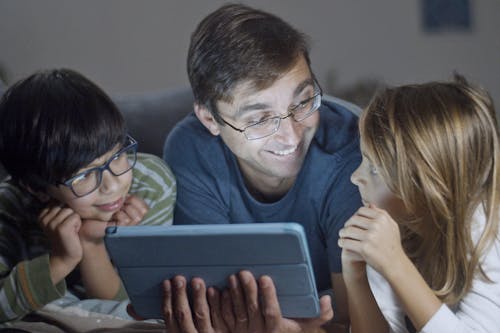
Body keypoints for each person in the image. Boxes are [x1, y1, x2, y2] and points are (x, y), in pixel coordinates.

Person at [163, 3, 362, 331]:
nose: (291, 134)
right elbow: (214, 297)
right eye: (259, 119)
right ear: (210, 120)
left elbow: (352, 310)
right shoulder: (191, 149)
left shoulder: (350, 150)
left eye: (302, 101)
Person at [0, 68, 176, 323]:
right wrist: (60, 260)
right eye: (82, 176)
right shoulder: (8, 207)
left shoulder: (148, 182)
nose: (112, 186)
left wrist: (90, 244)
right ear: (36, 189)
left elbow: (133, 311)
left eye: (116, 156)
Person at [339, 75, 500, 332]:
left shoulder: (487, 230)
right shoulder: (396, 230)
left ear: (427, 183)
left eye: (375, 169)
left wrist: (395, 264)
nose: (355, 177)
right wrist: (357, 278)